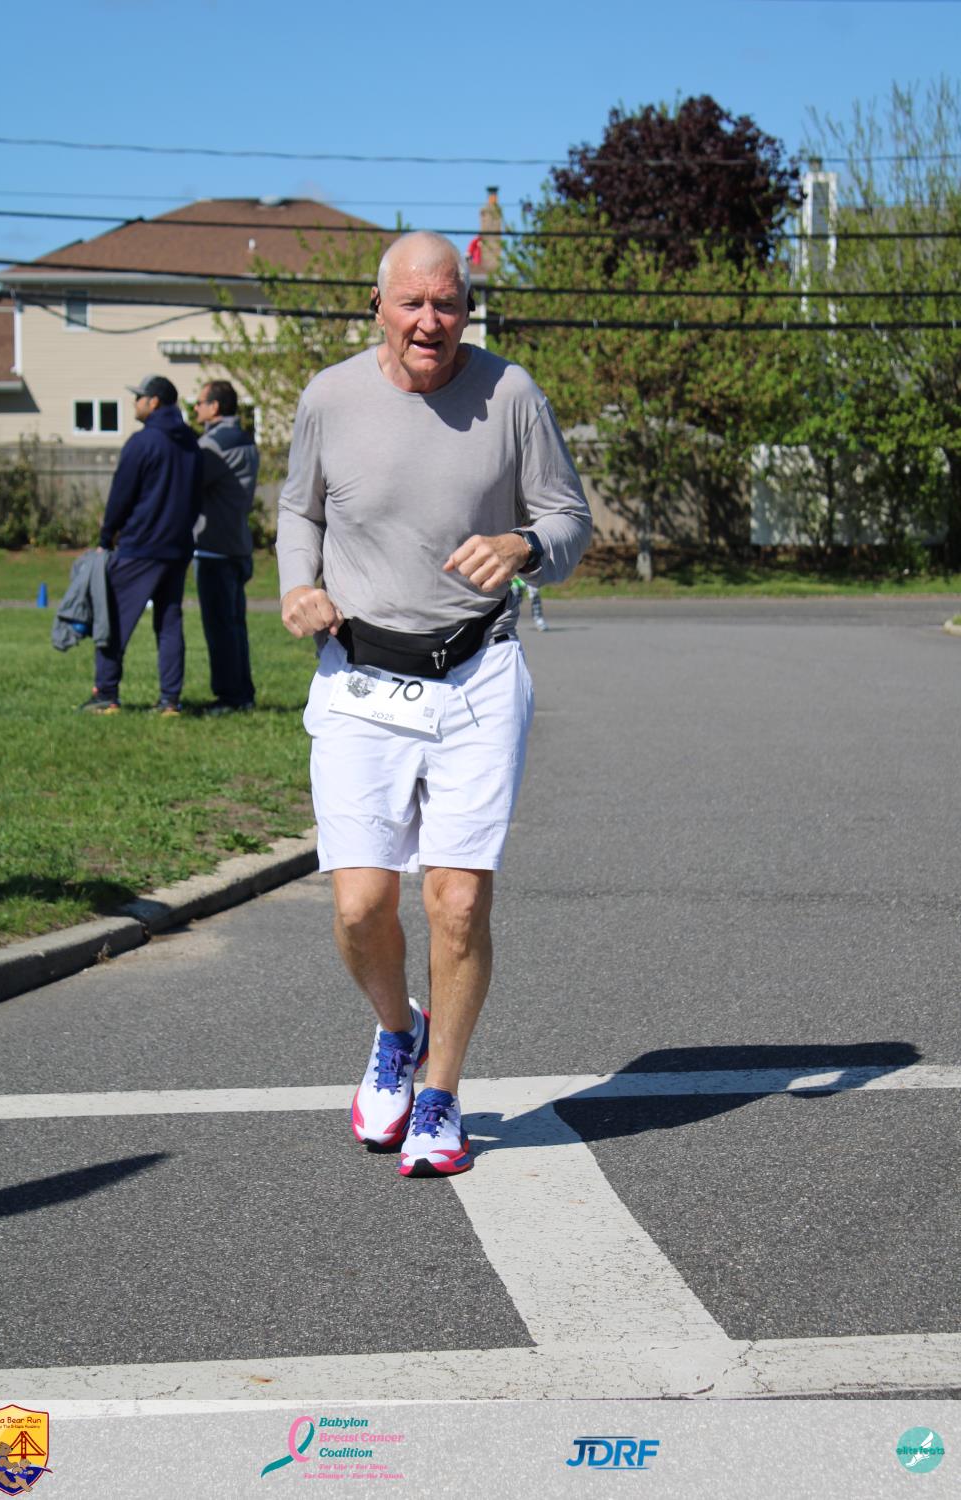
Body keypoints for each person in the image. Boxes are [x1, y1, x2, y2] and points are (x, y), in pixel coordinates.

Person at [278, 231, 591, 1177]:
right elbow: (299, 509)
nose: (430, 322)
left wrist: (524, 547)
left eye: (447, 303)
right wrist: (299, 585)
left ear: (466, 309)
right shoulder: (330, 397)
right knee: (360, 906)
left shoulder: (511, 394)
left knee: (456, 903)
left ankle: (442, 1093)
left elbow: (569, 520)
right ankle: (396, 1029)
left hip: (476, 674)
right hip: (360, 679)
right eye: (412, 303)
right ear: (377, 306)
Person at [81, 374, 202, 715]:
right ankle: (170, 701)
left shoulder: (143, 442)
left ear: (154, 402)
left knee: (115, 620)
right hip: (177, 548)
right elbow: (196, 498)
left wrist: (106, 537)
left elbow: (121, 497)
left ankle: (106, 694)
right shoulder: (191, 444)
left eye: (139, 397)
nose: (134, 403)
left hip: (141, 547)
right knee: (169, 622)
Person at [193, 379, 259, 713]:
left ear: (215, 407)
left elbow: (190, 483)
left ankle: (230, 697)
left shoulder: (214, 445)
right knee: (235, 627)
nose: (195, 408)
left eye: (200, 402)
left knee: (219, 628)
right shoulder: (245, 439)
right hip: (238, 543)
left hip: (214, 546)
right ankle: (242, 694)